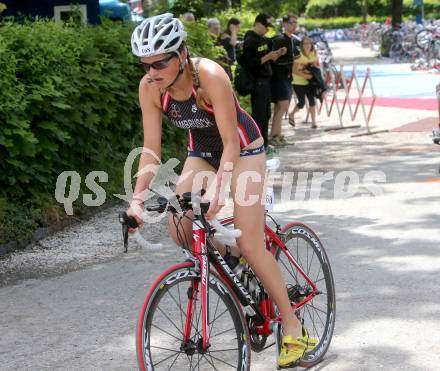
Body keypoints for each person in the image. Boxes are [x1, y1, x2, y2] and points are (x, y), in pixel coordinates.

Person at [127, 13, 315, 368]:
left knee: (250, 242)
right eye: (145, 64)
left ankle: (292, 326)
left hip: (243, 150)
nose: (152, 71)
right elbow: (150, 148)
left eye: (159, 62)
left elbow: (230, 142)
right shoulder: (150, 88)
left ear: (181, 54)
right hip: (201, 153)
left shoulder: (210, 74)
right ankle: (230, 258)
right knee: (181, 226)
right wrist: (137, 200)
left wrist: (219, 188)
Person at [241, 13, 287, 149]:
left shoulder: (263, 40)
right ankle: (257, 146)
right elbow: (250, 63)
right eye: (266, 26)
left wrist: (277, 53)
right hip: (257, 82)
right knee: (259, 115)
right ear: (258, 24)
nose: (268, 29)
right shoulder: (250, 40)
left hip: (266, 82)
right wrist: (268, 57)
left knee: (266, 114)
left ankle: (264, 145)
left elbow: (266, 57)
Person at [269, 14, 300, 146]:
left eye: (296, 23)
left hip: (287, 77)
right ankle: (273, 137)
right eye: (292, 23)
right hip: (278, 77)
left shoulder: (292, 40)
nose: (294, 25)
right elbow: (272, 59)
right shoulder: (278, 39)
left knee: (279, 108)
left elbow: (297, 57)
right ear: (285, 24)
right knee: (283, 106)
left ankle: (277, 135)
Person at [290, 36, 318, 128]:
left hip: (309, 81)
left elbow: (314, 67)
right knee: (301, 102)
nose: (307, 45)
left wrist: (313, 75)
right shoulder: (298, 55)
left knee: (312, 100)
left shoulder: (313, 53)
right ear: (301, 45)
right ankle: (292, 114)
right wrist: (306, 75)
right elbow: (294, 70)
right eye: (305, 43)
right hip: (298, 81)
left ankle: (314, 122)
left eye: (309, 43)